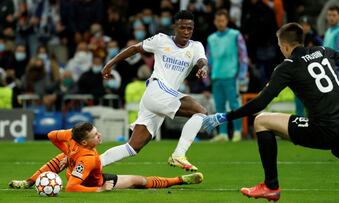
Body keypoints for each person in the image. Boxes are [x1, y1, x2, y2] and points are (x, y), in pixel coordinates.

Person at [203, 23, 339, 201]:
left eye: (279, 45)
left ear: (285, 46)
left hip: (324, 129)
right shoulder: (323, 50)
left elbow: (260, 102)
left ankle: (271, 186)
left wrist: (224, 116)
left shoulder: (288, 67)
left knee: (261, 121)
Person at [101, 10, 209, 172]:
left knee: (133, 147)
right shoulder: (161, 40)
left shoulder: (196, 46)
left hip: (161, 99)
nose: (186, 32)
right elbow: (135, 48)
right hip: (156, 90)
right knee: (200, 112)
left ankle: (93, 163)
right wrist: (111, 63)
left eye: (190, 28)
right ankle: (178, 155)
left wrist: (204, 67)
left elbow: (201, 60)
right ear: (174, 27)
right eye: (182, 28)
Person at [8, 122, 204, 192]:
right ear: (85, 142)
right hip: (92, 182)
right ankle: (179, 180)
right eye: (95, 135)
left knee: (60, 159)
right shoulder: (89, 157)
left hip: (77, 171)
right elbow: (72, 188)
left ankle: (28, 182)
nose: (100, 135)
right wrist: (99, 190)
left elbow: (52, 135)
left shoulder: (71, 136)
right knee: (139, 181)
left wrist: (68, 153)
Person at [206, 9, 248, 142]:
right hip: (216, 76)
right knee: (219, 107)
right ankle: (223, 133)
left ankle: (237, 132)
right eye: (218, 21)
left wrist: (242, 75)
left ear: (227, 21)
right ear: (214, 22)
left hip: (231, 76)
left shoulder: (235, 35)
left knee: (234, 105)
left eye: (222, 20)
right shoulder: (211, 39)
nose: (220, 23)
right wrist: (207, 76)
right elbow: (209, 58)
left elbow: (243, 56)